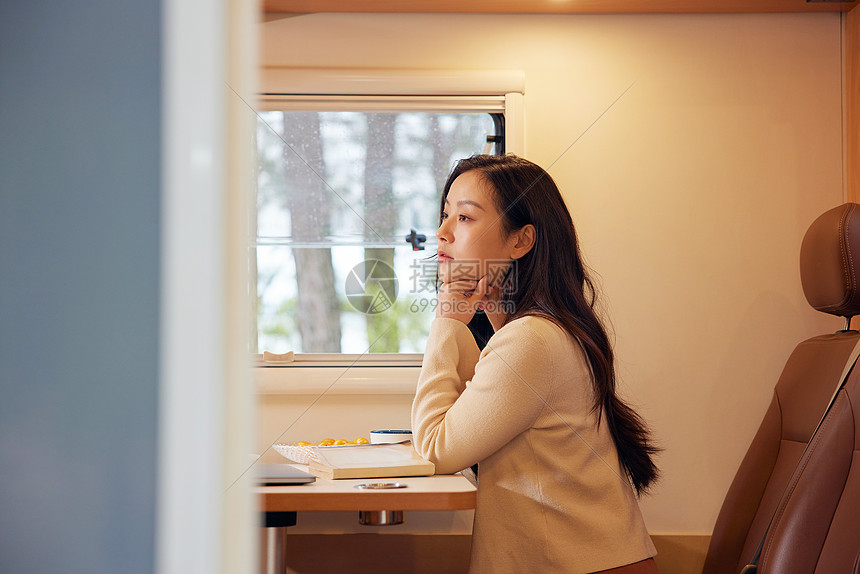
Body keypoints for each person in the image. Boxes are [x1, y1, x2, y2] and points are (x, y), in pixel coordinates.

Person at [411, 154, 660, 573]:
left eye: (465, 218)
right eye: (445, 214)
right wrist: (479, 312)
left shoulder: (532, 341)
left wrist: (445, 322)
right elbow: (471, 409)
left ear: (520, 241)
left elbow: (435, 449)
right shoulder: (532, 333)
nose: (441, 233)